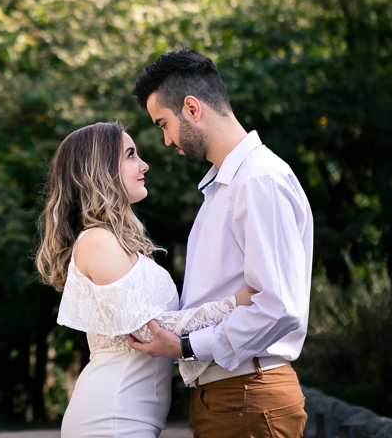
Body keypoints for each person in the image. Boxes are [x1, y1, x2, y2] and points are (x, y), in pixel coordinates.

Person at [127, 49, 312, 438]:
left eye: (164, 124)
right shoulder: (224, 187)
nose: (165, 140)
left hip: (246, 395)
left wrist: (188, 345)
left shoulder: (258, 181)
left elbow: (279, 307)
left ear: (192, 109)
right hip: (229, 396)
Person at [36, 121, 257, 438]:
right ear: (99, 170)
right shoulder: (97, 242)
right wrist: (236, 302)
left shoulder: (119, 242)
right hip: (112, 415)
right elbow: (148, 330)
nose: (144, 165)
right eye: (130, 155)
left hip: (131, 415)